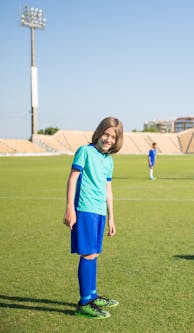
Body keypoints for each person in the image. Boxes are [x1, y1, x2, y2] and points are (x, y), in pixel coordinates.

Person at [63, 117, 123, 319]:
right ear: (99, 133)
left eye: (113, 137)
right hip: (85, 209)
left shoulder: (109, 160)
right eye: (106, 134)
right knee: (88, 254)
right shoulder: (85, 151)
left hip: (100, 212)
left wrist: (112, 218)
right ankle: (84, 303)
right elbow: (72, 180)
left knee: (94, 254)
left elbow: (108, 189)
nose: (108, 139)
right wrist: (70, 208)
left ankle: (92, 295)